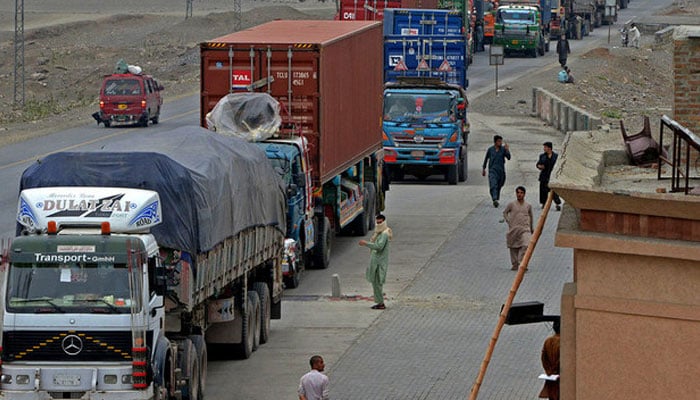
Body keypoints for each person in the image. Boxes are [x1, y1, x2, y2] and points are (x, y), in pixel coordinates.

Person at [359, 214, 393, 310]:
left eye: (380, 222)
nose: (378, 224)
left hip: (379, 264)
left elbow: (378, 246)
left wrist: (366, 244)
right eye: (377, 222)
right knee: (375, 283)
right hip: (376, 263)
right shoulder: (379, 233)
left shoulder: (384, 234)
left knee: (377, 284)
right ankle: (379, 302)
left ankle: (380, 303)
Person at [503, 186, 533, 271]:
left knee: (526, 245)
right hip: (514, 229)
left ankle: (522, 262)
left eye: (521, 193)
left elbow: (531, 216)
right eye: (518, 193)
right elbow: (505, 213)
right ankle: (515, 263)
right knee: (513, 246)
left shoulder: (528, 205)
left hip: (525, 229)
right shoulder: (511, 204)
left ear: (524, 194)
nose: (519, 194)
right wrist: (509, 221)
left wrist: (531, 228)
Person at [482, 135, 511, 207]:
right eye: (499, 141)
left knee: (499, 185)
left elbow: (509, 157)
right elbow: (486, 159)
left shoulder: (503, 149)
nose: (500, 143)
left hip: (501, 171)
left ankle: (496, 198)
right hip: (492, 171)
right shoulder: (490, 150)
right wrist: (484, 168)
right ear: (495, 142)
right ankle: (494, 199)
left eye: (501, 141)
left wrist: (507, 150)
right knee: (493, 184)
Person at [536, 142, 562, 211]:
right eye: (544, 147)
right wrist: (539, 166)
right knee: (543, 191)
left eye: (545, 147)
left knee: (554, 191)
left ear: (549, 148)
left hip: (553, 176)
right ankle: (544, 203)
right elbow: (538, 164)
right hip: (544, 176)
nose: (544, 149)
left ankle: (557, 204)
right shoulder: (542, 156)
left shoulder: (556, 156)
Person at [538, 320, 561, 400]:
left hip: (551, 377)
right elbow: (562, 359)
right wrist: (555, 370)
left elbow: (543, 358)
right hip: (560, 377)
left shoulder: (548, 341)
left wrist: (549, 371)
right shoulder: (564, 342)